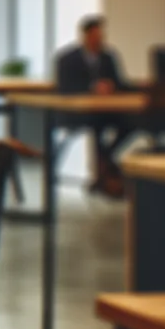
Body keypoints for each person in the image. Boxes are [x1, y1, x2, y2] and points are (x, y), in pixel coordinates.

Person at [54, 14, 133, 195]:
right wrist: (92, 88)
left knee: (132, 122)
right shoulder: (67, 59)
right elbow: (65, 87)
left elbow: (121, 82)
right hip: (78, 112)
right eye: (95, 36)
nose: (99, 40)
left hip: (106, 111)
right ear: (85, 36)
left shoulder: (108, 56)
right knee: (96, 124)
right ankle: (106, 170)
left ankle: (105, 161)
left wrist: (111, 86)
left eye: (101, 36)